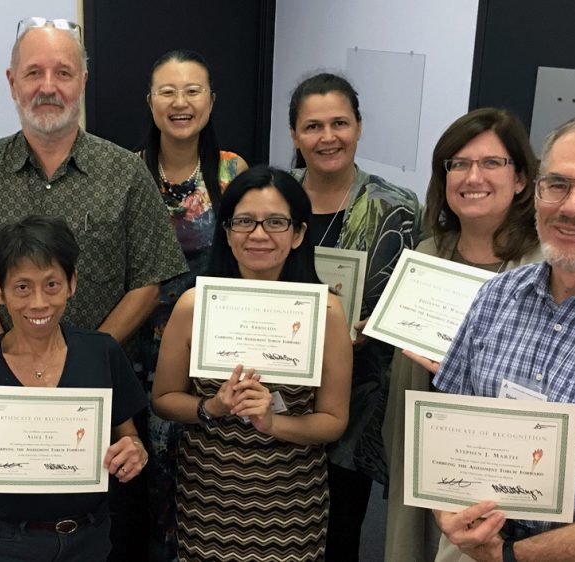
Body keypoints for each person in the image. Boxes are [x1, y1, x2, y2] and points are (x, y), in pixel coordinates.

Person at [0, 18, 186, 558]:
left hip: (104, 397)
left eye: (63, 72)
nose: (49, 85)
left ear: (83, 81)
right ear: (11, 81)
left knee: (105, 531)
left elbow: (149, 278)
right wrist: (14, 354)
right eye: (34, 72)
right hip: (0, 399)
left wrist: (86, 359)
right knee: (7, 527)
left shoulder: (125, 172)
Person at [430, 109, 575, 561]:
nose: (570, 207)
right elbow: (447, 434)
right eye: (557, 184)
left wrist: (513, 557)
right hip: (475, 547)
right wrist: (450, 514)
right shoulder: (498, 296)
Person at [152, 165, 353, 561]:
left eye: (276, 222)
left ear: (298, 234)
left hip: (292, 500)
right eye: (244, 221)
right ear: (226, 232)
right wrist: (212, 406)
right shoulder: (195, 306)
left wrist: (272, 423)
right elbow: (164, 398)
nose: (258, 234)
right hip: (207, 492)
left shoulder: (324, 312)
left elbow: (333, 421)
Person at [0, 215, 148, 561]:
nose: (38, 303)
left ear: (72, 283)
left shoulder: (102, 352)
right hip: (1, 542)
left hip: (89, 537)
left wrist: (135, 451)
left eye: (51, 285)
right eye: (22, 287)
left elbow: (129, 436)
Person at [381, 108, 543, 561]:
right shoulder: (428, 254)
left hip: (500, 459)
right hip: (426, 445)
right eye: (458, 164)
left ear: (521, 180)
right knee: (415, 542)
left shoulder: (544, 268)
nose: (473, 176)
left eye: (492, 163)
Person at [288, 72, 420, 558]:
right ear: (294, 136)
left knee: (339, 530)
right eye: (313, 126)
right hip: (274, 395)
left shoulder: (396, 208)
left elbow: (411, 295)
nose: (328, 138)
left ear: (359, 127)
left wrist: (376, 326)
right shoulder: (273, 198)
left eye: (340, 123)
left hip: (356, 399)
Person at [137, 48, 247, 561]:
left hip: (212, 355)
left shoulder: (231, 173)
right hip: (140, 350)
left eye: (193, 90)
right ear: (150, 101)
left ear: (211, 101)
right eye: (168, 91)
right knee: (146, 482)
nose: (180, 102)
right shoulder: (127, 171)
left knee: (206, 483)